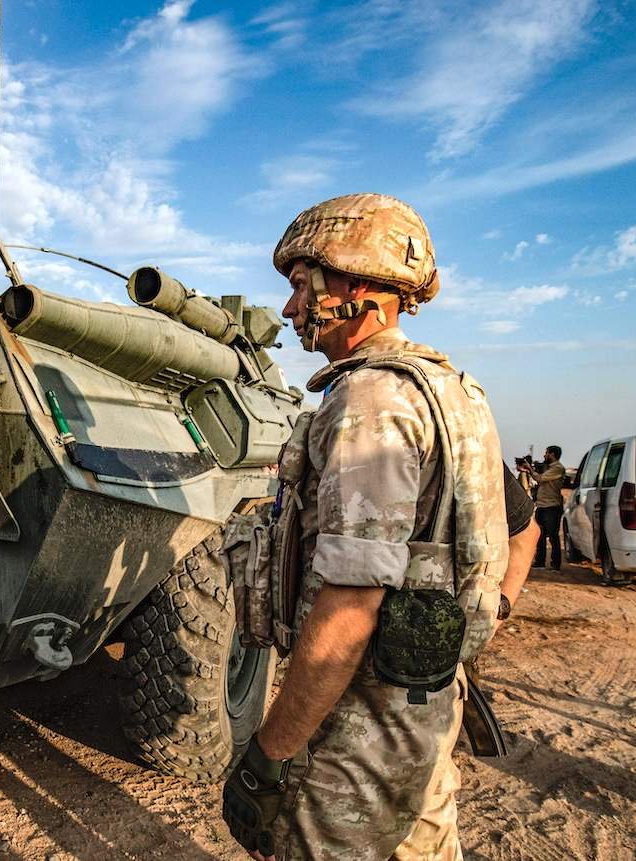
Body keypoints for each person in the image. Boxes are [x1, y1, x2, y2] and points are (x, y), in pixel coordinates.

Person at [221, 194, 516, 860]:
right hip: (423, 722)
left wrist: (269, 752)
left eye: (301, 286)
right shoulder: (454, 392)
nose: (291, 308)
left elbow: (349, 607)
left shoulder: (368, 400)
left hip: (358, 741)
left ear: (352, 283)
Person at [520, 445, 565, 570]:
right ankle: (540, 562)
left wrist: (529, 468)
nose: (544, 455)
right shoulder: (548, 468)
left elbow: (540, 478)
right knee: (540, 535)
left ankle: (555, 564)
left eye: (546, 453)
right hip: (542, 505)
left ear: (552, 454)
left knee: (553, 536)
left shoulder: (557, 468)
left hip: (551, 507)